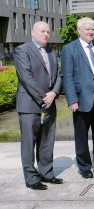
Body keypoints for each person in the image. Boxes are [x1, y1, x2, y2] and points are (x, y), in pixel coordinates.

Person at [61, 17, 94, 178]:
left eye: (93, 29)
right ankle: (84, 167)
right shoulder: (70, 49)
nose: (91, 32)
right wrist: (72, 100)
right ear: (79, 31)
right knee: (82, 135)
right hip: (82, 99)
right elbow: (67, 76)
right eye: (87, 29)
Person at [14, 21, 63, 190]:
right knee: (29, 142)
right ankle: (31, 178)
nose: (46, 34)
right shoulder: (22, 50)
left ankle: (46, 173)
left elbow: (59, 75)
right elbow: (26, 78)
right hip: (29, 104)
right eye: (42, 31)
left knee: (47, 140)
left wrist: (54, 93)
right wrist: (45, 97)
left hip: (49, 103)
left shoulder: (52, 52)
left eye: (48, 32)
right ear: (33, 33)